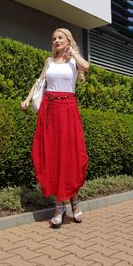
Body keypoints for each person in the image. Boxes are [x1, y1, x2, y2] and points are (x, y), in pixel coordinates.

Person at [21, 28, 89, 229]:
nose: (56, 40)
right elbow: (40, 82)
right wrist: (26, 99)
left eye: (60, 37)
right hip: (49, 111)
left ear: (68, 40)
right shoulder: (49, 61)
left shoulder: (73, 61)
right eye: (54, 38)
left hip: (68, 110)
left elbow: (86, 66)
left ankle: (74, 202)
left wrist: (73, 54)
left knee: (71, 157)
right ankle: (60, 206)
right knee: (53, 156)